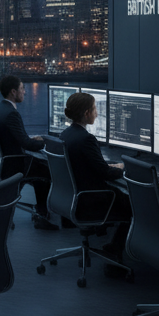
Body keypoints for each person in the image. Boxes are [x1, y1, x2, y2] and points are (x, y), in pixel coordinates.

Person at [60, 91, 132, 260]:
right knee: (132, 205)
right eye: (94, 109)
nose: (97, 113)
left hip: (72, 197)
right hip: (90, 200)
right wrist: (127, 171)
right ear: (87, 113)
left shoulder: (66, 134)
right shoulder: (86, 139)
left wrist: (107, 165)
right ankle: (115, 249)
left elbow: (90, 166)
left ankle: (111, 244)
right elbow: (105, 173)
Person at [0, 74, 57, 230]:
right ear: (13, 92)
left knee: (39, 167)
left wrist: (32, 139)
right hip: (14, 164)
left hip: (3, 160)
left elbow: (18, 138)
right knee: (46, 172)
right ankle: (41, 215)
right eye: (22, 88)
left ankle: (38, 211)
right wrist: (46, 142)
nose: (25, 92)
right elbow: (27, 144)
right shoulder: (12, 113)